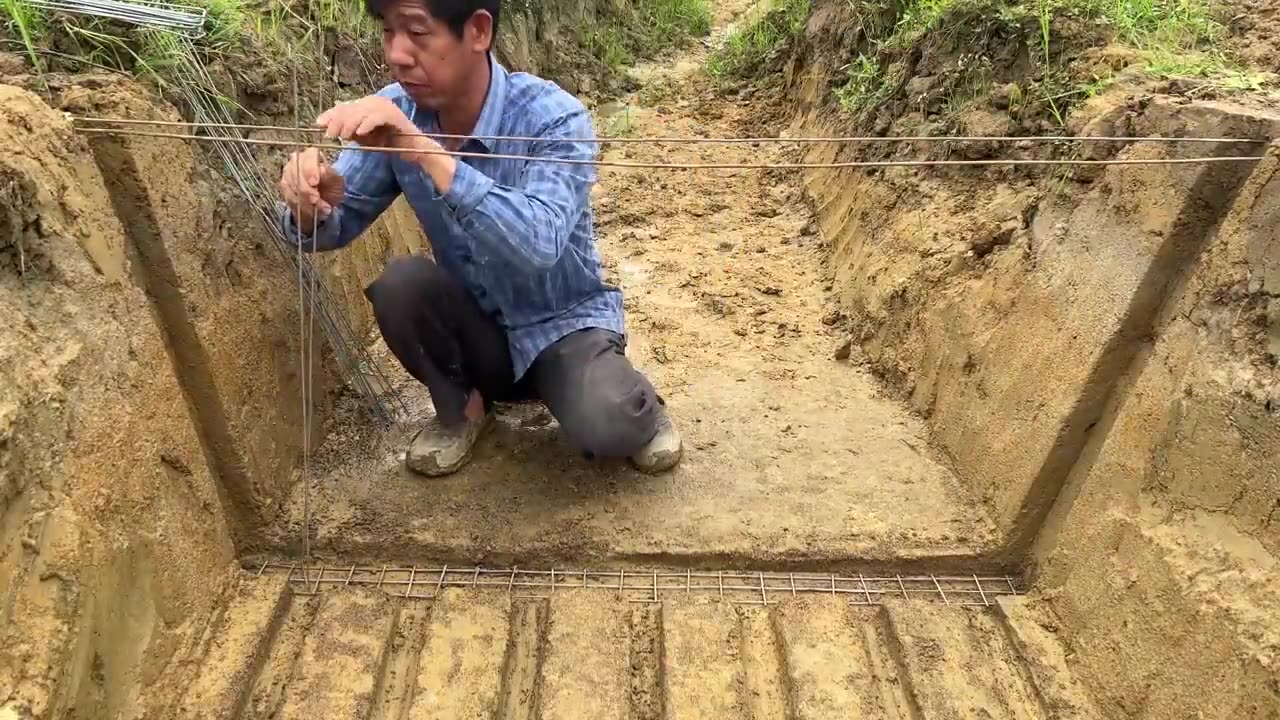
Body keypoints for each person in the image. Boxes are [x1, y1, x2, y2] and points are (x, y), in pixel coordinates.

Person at [275, 0, 681, 477]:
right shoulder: (399, 112)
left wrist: (426, 153)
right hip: (480, 334)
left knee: (611, 424)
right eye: (388, 33)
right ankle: (465, 412)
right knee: (402, 286)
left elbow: (539, 243)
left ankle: (634, 402)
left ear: (478, 31)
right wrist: (309, 207)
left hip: (563, 330)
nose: (398, 54)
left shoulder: (554, 119)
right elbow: (334, 226)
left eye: (418, 33)